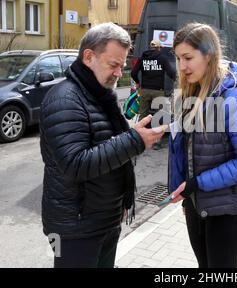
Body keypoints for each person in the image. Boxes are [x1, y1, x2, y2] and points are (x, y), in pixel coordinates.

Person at [40, 22, 166, 268]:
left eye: (122, 65)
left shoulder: (98, 95)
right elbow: (75, 164)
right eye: (114, 65)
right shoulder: (65, 99)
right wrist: (133, 141)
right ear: (89, 57)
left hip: (104, 220)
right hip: (76, 229)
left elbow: (105, 146)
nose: (119, 73)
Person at [167, 23, 237, 268]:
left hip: (226, 211)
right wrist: (183, 189)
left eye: (188, 57)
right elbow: (186, 149)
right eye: (178, 58)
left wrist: (198, 184)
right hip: (196, 205)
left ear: (208, 55)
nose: (182, 66)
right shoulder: (188, 95)